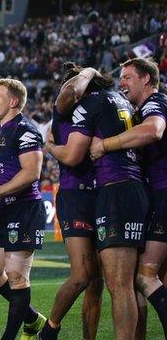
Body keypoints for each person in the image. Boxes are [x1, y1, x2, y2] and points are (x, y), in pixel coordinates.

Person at [51, 62, 147, 339]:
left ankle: (50, 329)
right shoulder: (122, 102)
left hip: (112, 192)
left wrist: (51, 147)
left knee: (119, 284)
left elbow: (71, 156)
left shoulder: (87, 103)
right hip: (115, 191)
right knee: (113, 281)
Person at [89, 58, 167, 338]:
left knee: (144, 277)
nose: (121, 82)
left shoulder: (155, 103)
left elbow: (153, 130)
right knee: (149, 280)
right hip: (153, 194)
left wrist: (105, 145)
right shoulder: (140, 108)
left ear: (146, 79)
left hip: (161, 193)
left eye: (128, 77)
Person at [0, 79, 46, 340]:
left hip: (25, 209)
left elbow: (32, 173)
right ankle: (33, 318)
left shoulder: (26, 130)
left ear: (13, 101)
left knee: (16, 277)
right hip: (3, 210)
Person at [41, 64, 104, 339]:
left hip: (102, 195)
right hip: (74, 195)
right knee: (81, 276)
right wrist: (89, 72)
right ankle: (50, 328)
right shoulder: (63, 112)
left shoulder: (98, 110)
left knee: (97, 282)